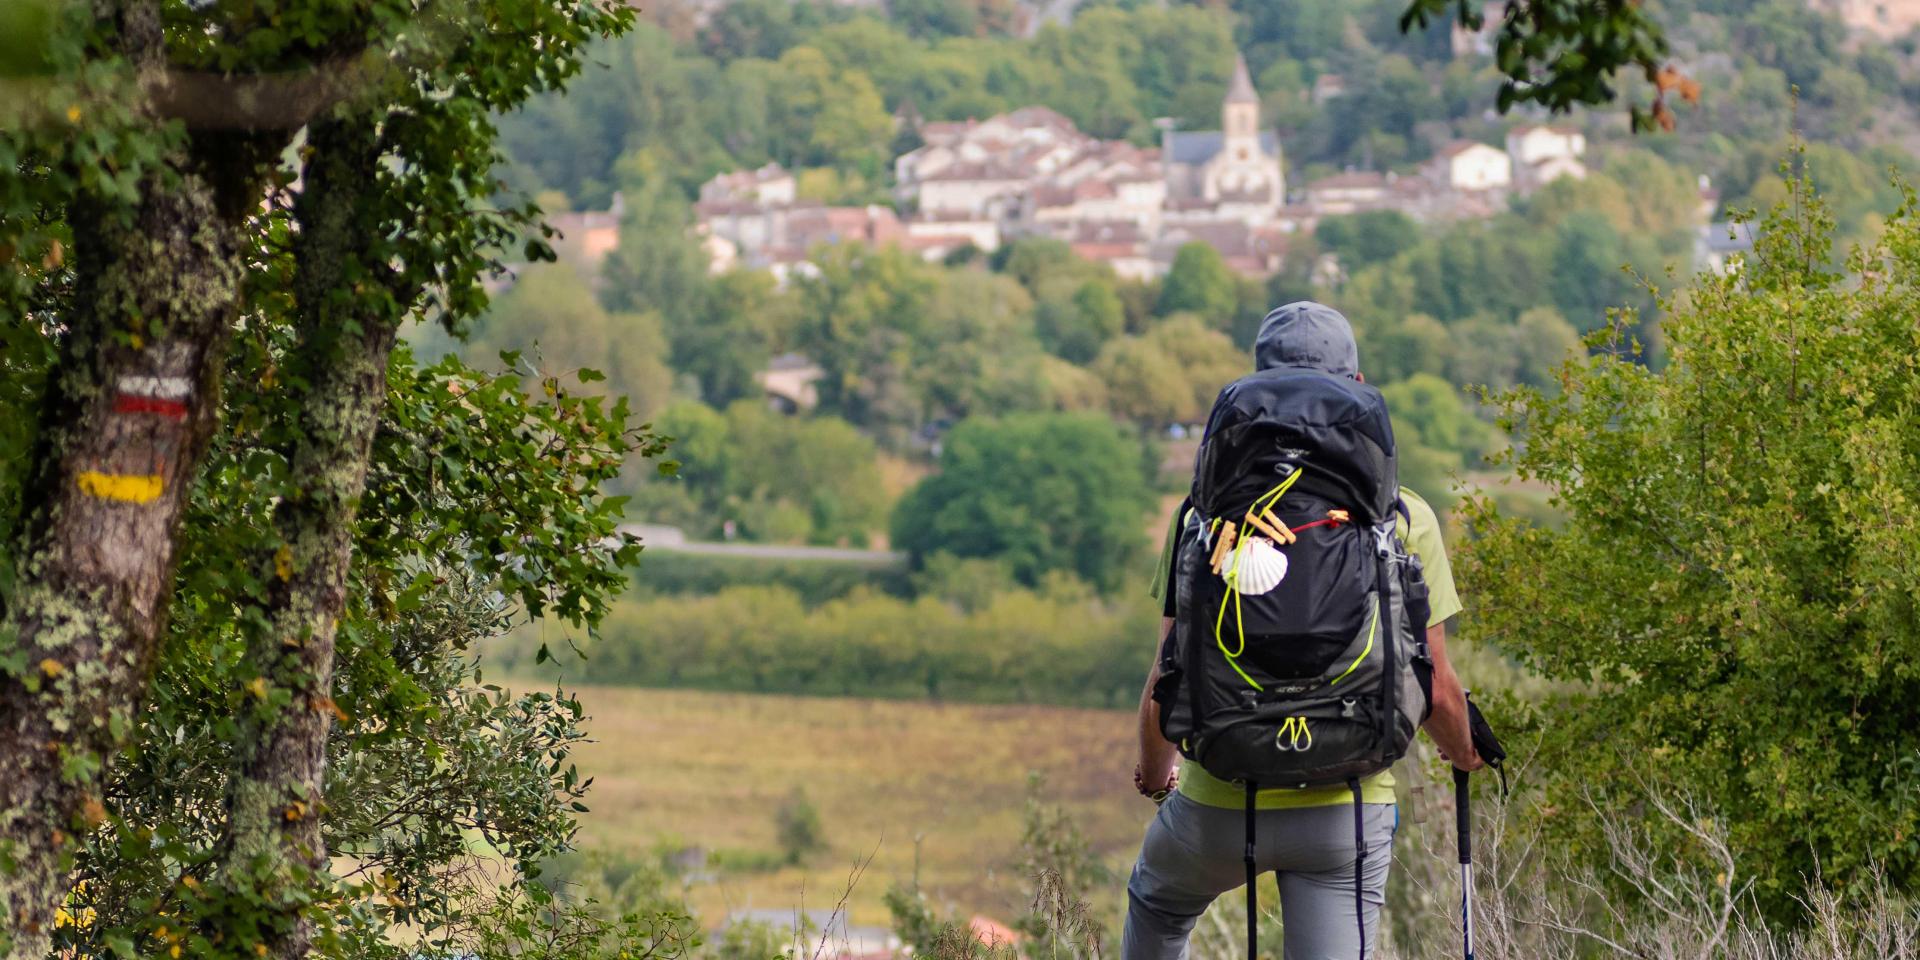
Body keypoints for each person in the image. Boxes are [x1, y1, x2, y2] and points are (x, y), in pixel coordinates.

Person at [1124, 302, 1483, 960]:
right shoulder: (1404, 520)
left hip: (1218, 800)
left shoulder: (1202, 518)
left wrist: (1154, 775)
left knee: (1158, 903)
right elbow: (1433, 689)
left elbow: (1165, 675)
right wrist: (1466, 754)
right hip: (1345, 806)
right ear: (1357, 382)